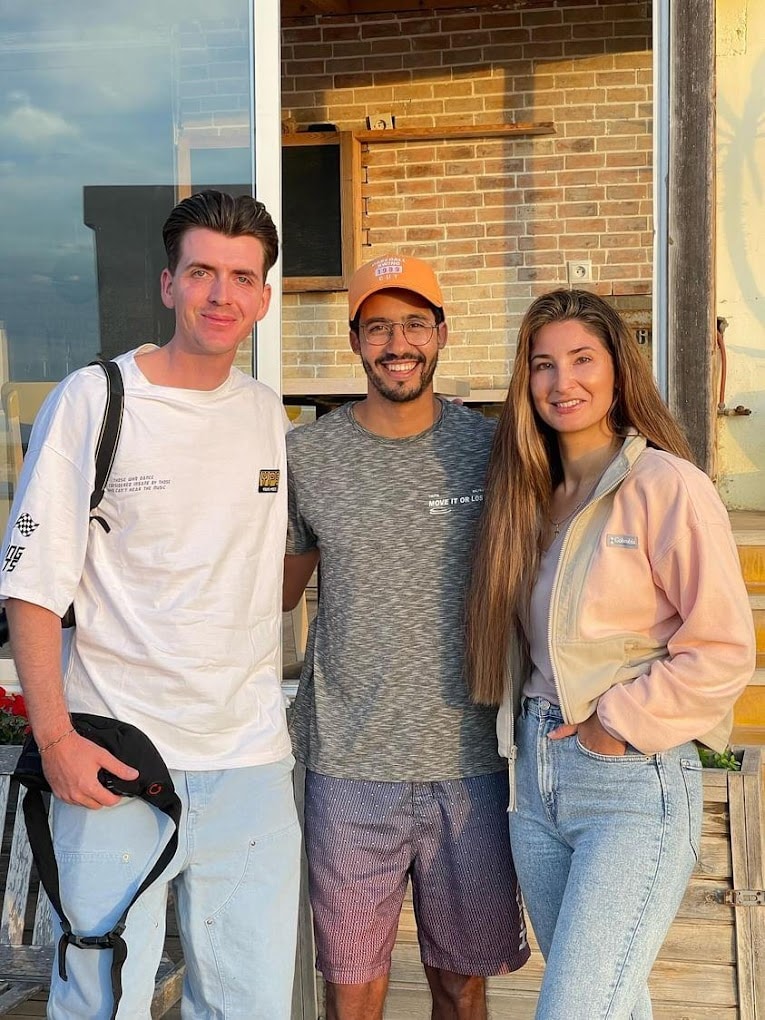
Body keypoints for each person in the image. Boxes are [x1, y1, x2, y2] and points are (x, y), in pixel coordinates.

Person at [0, 190, 301, 1019]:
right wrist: (53, 738)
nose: (221, 294)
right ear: (167, 284)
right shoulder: (95, 401)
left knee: (249, 1005)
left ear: (264, 298)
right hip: (117, 761)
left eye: (243, 277)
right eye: (201, 272)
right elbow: (31, 588)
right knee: (100, 1002)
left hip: (250, 764)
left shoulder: (267, 416)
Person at [465, 289, 756, 1020]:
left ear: (618, 372)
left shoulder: (666, 486)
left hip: (629, 783)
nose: (562, 382)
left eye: (581, 360)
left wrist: (613, 726)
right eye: (542, 365)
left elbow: (721, 648)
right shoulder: (528, 498)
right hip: (535, 785)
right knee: (612, 1005)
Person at [283, 254, 530, 1020]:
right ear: (354, 339)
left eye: (414, 324)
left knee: (461, 985)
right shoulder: (308, 456)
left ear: (442, 334)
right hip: (348, 765)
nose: (398, 342)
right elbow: (273, 595)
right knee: (352, 990)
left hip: (472, 764)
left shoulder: (493, 451)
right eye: (380, 326)